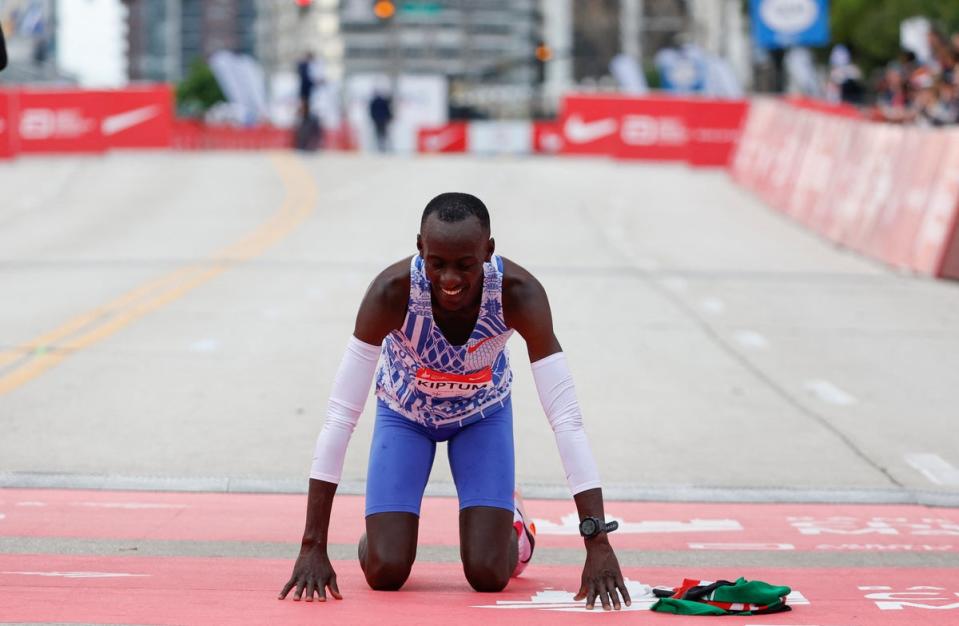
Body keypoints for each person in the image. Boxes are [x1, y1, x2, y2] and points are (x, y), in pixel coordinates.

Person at [278, 193, 630, 611]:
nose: (449, 279)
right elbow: (340, 415)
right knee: (386, 572)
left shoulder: (520, 294)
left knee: (487, 575)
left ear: (488, 251)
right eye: (436, 263)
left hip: (481, 417)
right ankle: (386, 526)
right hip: (404, 416)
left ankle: (513, 522)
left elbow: (566, 419)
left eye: (465, 264)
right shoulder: (391, 293)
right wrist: (313, 545)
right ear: (419, 249)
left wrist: (597, 542)